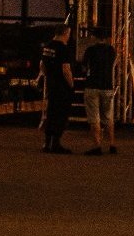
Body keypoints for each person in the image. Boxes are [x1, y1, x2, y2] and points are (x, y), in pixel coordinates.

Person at [38, 25, 77, 154]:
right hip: (62, 87)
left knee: (51, 113)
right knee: (60, 115)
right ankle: (55, 143)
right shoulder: (63, 49)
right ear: (65, 33)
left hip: (51, 85)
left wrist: (48, 75)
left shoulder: (47, 46)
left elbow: (42, 65)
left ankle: (47, 143)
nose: (69, 36)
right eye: (68, 33)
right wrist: (71, 85)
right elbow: (66, 69)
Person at [80, 35, 119, 156]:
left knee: (94, 118)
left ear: (94, 38)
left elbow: (84, 67)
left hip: (92, 85)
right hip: (107, 86)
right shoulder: (111, 50)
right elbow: (116, 63)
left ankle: (97, 145)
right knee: (108, 116)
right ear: (106, 38)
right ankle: (112, 144)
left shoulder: (90, 50)